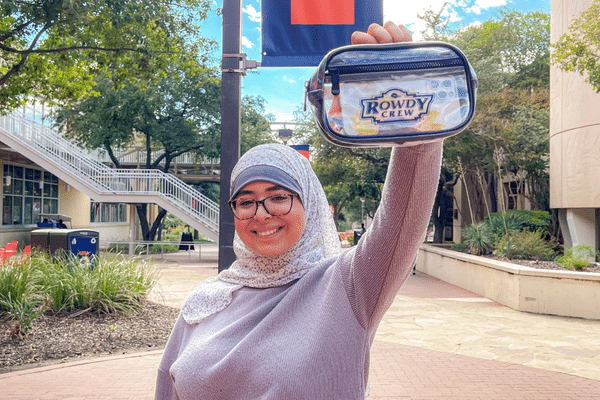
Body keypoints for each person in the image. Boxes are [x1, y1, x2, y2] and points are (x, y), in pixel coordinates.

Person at [156, 22, 443, 399]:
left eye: (278, 196)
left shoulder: (348, 287)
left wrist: (412, 111)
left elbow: (402, 218)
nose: (261, 213)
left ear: (310, 205)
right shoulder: (206, 298)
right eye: (245, 201)